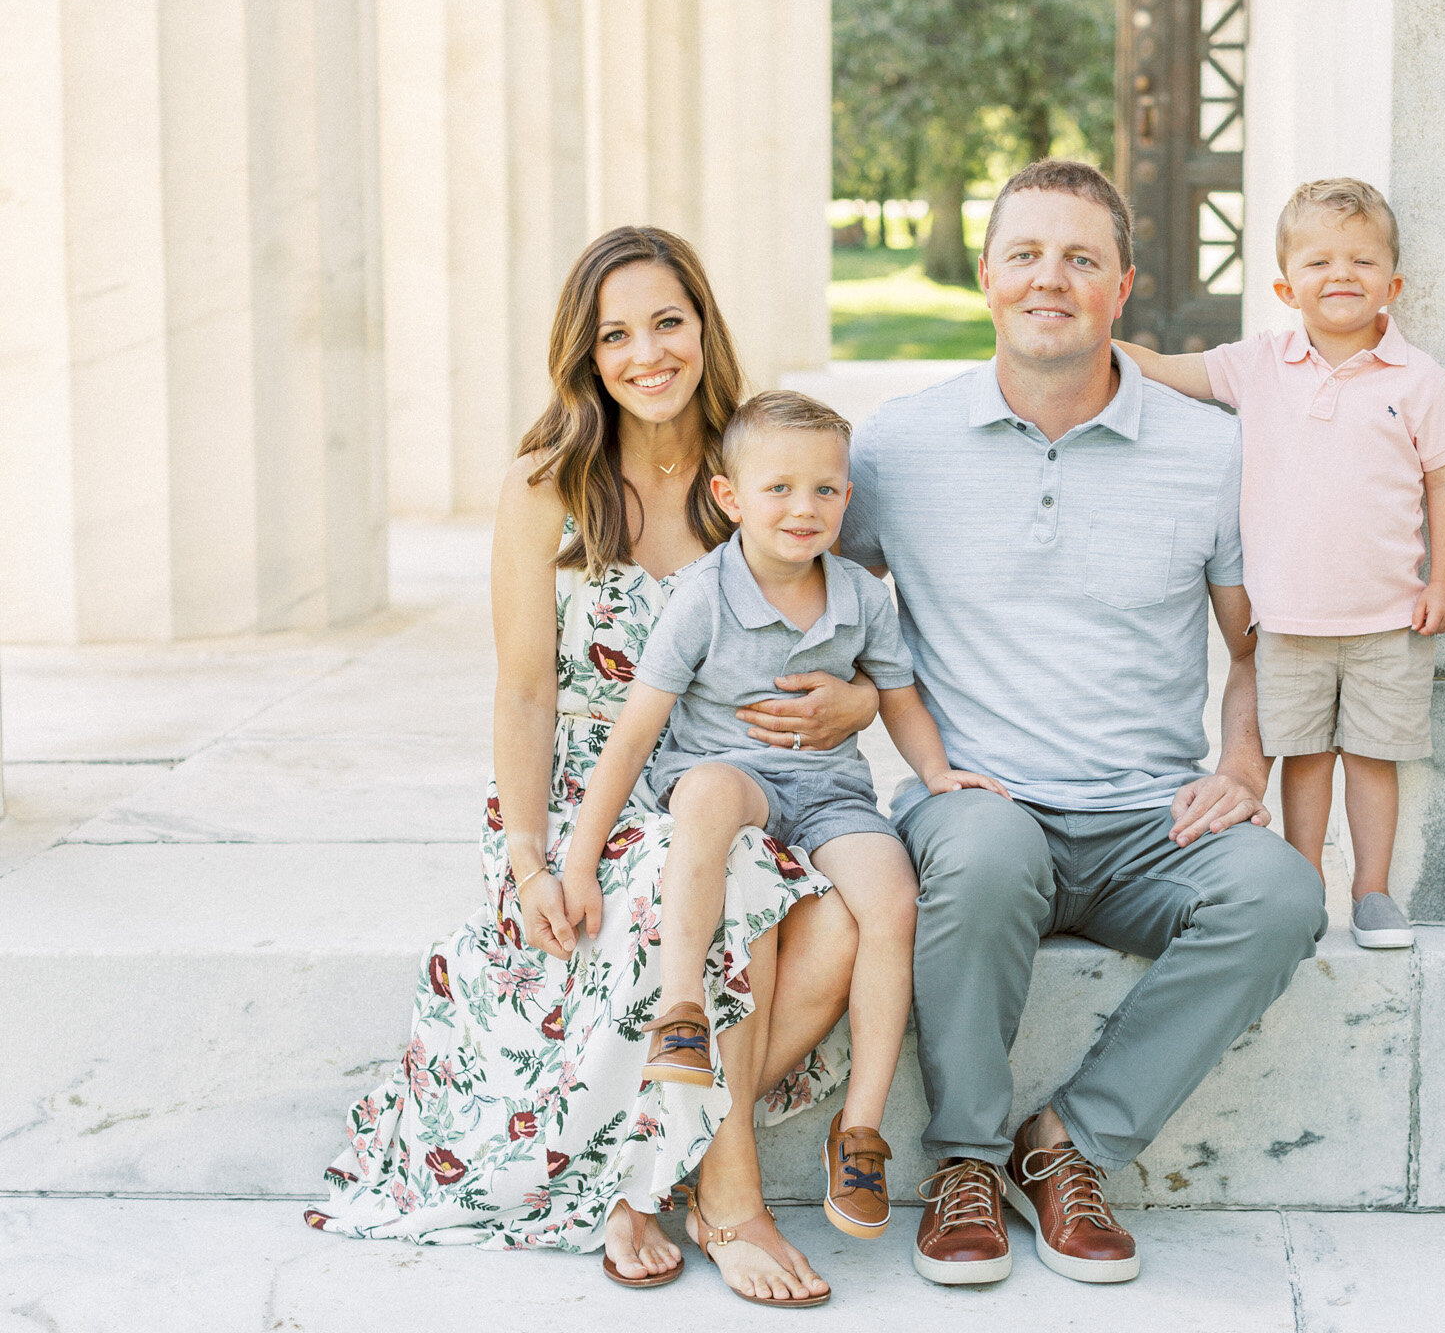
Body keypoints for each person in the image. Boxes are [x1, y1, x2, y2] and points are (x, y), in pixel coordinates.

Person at [309, 227, 873, 1307]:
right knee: (722, 894)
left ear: (704, 325)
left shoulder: (760, 463)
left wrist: (853, 700)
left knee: (840, 925)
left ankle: (643, 1169)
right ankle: (727, 1196)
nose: (646, 353)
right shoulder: (550, 487)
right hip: (590, 795)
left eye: (667, 322)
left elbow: (857, 621)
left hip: (744, 774)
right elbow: (524, 693)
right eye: (615, 334)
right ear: (584, 355)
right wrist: (530, 859)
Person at [840, 158, 1327, 1289]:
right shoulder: (897, 449)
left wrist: (1242, 762)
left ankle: (1068, 1144)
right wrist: (840, 701)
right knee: (982, 847)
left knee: (1279, 893)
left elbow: (1255, 643)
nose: (1047, 279)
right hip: (980, 803)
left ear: (1123, 287)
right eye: (1024, 254)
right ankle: (963, 1159)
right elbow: (820, 605)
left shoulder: (1210, 453)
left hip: (1149, 817)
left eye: (1078, 259)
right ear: (985, 277)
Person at [561, 388, 1008, 1247]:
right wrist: (578, 859)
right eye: (779, 489)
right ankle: (683, 1011)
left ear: (848, 497)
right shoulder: (703, 594)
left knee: (890, 895)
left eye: (826, 491)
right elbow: (636, 734)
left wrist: (938, 771)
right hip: (729, 778)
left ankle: (862, 1128)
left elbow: (903, 699)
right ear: (731, 497)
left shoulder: (860, 598)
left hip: (829, 792)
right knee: (707, 796)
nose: (805, 509)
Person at [1118, 178, 1445, 950]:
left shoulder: (1419, 380)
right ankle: (1303, 884)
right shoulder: (1260, 364)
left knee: (1374, 760)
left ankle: (1372, 891)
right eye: (1318, 261)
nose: (1340, 274)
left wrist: (1442, 582)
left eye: (1361, 260)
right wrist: (1095, 342)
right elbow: (1170, 370)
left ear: (1393, 283)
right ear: (1285, 286)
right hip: (1286, 618)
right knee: (1304, 758)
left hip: (1389, 617)